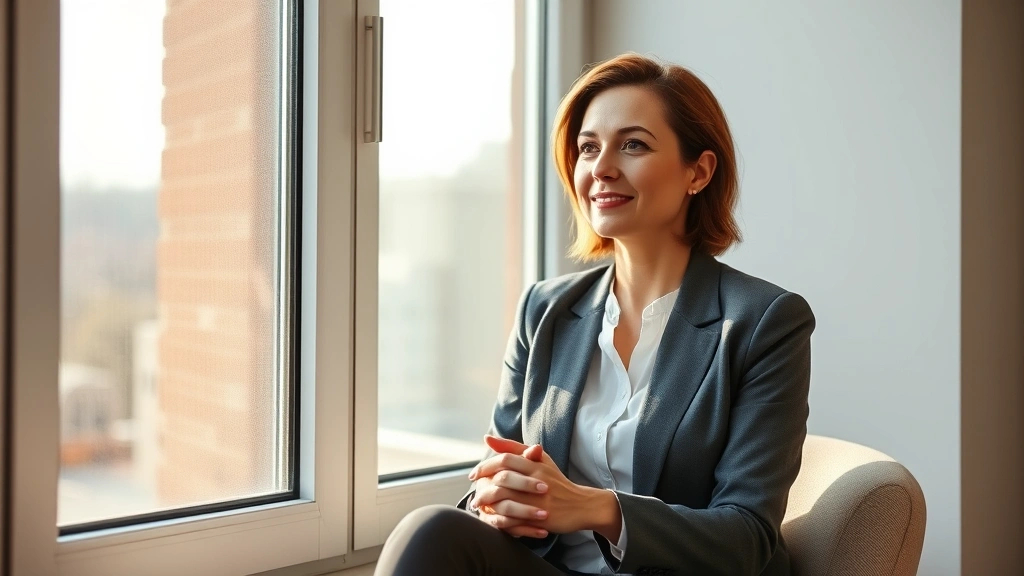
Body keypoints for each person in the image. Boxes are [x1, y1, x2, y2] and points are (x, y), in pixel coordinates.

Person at [374, 53, 814, 576]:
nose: (602, 167)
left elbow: (747, 537)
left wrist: (596, 508)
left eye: (633, 145)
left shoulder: (763, 322)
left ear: (698, 171)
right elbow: (497, 477)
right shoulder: (545, 310)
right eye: (588, 148)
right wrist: (497, 500)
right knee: (434, 529)